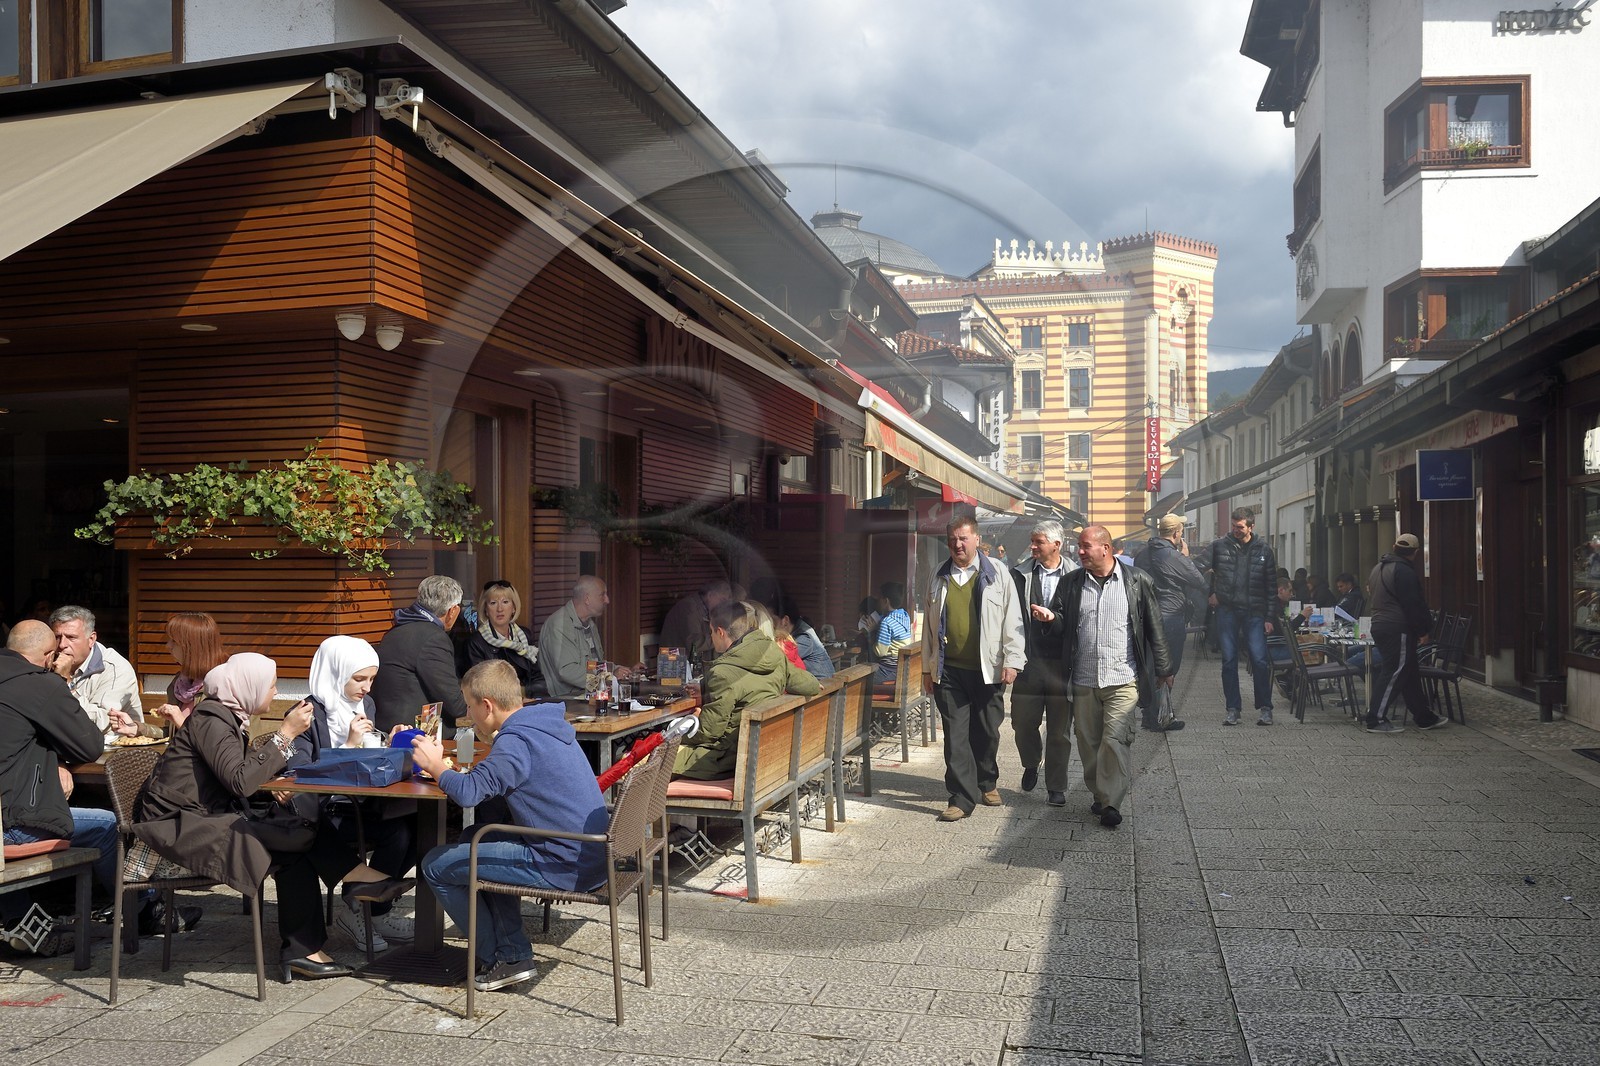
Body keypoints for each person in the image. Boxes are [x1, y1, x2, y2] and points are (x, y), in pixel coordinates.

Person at [133, 653, 411, 982]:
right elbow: (239, 780)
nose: (276, 693)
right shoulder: (212, 718)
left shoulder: (224, 716)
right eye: (271, 685)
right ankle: (344, 894)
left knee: (298, 834)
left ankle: (307, 945)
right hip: (176, 826)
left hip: (203, 816)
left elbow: (237, 776)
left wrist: (276, 782)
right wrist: (285, 734)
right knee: (297, 840)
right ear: (248, 687)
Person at [412, 660, 608, 992]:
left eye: (470, 708)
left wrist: (434, 766)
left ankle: (499, 957)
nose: (469, 716)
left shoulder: (515, 743)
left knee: (434, 866)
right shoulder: (542, 724)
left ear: (486, 706)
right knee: (476, 836)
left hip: (562, 864)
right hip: (588, 852)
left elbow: (469, 793)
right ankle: (512, 952)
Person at [1, 620, 126, 932]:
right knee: (108, 825)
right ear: (48, 656)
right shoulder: (40, 684)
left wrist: (53, 757)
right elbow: (89, 745)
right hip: (11, 824)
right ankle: (143, 912)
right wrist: (61, 682)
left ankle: (23, 919)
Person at [294, 635, 417, 950]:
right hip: (322, 811)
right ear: (335, 673)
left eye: (372, 679)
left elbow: (367, 759)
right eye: (359, 678)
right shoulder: (308, 712)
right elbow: (300, 775)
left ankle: (369, 910)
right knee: (397, 833)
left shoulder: (366, 704)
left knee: (411, 830)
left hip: (359, 803)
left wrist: (389, 742)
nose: (367, 687)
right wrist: (348, 746)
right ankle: (361, 909)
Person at [1058, 526, 1173, 830]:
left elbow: (1154, 627)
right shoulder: (1071, 584)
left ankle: (1111, 802)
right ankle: (1099, 792)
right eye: (1078, 547)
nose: (1079, 552)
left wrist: (1164, 669)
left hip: (1123, 678)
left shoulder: (1137, 581)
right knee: (1088, 742)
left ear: (1105, 548)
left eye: (1085, 546)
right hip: (1083, 679)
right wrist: (1049, 621)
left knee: (1114, 740)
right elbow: (1060, 626)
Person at [920, 515, 1026, 823]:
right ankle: (961, 798)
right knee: (955, 735)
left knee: (987, 732)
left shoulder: (998, 574)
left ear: (977, 540)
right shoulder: (938, 576)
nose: (957, 544)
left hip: (988, 669)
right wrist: (927, 670)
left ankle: (987, 780)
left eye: (964, 538)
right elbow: (928, 627)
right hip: (949, 670)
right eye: (953, 539)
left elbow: (1012, 619)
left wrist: (1012, 660)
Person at [673, 600, 821, 779]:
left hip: (729, 759)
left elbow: (709, 732)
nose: (711, 637)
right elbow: (810, 685)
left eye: (711, 632)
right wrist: (706, 685)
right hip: (764, 753)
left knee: (651, 761)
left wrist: (676, 735)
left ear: (720, 632)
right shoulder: (772, 652)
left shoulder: (722, 673)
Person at [1009, 520, 1075, 806]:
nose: (1032, 546)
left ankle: (1056, 785)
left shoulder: (1078, 575)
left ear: (1056, 545)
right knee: (1022, 722)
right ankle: (1031, 761)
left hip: (1063, 664)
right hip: (1029, 661)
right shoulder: (1019, 574)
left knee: (1060, 729)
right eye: (1032, 541)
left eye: (1038, 542)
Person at [1365, 534, 1444, 733]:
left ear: (1394, 547)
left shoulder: (1378, 568)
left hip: (1379, 624)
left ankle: (1424, 717)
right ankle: (1375, 718)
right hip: (1396, 627)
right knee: (1394, 671)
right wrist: (1423, 630)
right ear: (1416, 553)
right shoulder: (1404, 571)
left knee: (1408, 671)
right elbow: (1413, 604)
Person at [1207, 509, 1279, 727]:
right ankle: (1233, 709)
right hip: (1227, 610)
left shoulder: (1264, 550)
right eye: (1234, 526)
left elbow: (1271, 587)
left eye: (1240, 527)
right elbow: (1200, 568)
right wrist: (1210, 592)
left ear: (1251, 527)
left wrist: (1269, 617)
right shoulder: (1220, 546)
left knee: (1259, 660)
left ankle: (1265, 708)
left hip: (1254, 612)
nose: (1235, 530)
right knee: (1228, 660)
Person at [1136, 514, 1207, 732]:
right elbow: (1199, 580)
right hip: (1170, 616)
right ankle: (1161, 716)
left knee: (1149, 665)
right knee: (1168, 667)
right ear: (1177, 533)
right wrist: (1185, 557)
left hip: (1145, 616)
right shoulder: (1173, 556)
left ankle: (1149, 715)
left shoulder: (1141, 555)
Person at [370, 575, 468, 733]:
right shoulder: (433, 638)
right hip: (413, 734)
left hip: (386, 726)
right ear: (453, 611)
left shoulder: (396, 630)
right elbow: (454, 704)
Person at [48, 605, 141, 736]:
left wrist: (67, 683)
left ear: (91, 639)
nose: (62, 644)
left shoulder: (115, 668)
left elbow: (101, 723)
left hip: (112, 751)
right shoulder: (48, 661)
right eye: (57, 637)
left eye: (71, 637)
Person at [538, 576, 617, 699]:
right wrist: (609, 677)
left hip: (590, 696)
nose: (607, 600)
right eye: (603, 595)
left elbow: (595, 665)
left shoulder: (590, 624)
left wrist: (619, 670)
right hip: (567, 701)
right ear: (587, 599)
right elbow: (567, 671)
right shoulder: (560, 624)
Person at [465, 580, 545, 700]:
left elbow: (539, 681)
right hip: (496, 708)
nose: (500, 609)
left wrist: (528, 696)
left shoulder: (524, 635)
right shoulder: (476, 642)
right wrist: (521, 695)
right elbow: (482, 688)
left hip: (529, 702)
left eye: (505, 602)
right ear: (486, 609)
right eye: (493, 603)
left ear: (513, 607)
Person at [152, 612, 226, 733]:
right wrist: (137, 728)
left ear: (194, 646)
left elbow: (222, 744)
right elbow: (171, 733)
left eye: (174, 641)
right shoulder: (180, 683)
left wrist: (181, 721)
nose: (168, 646)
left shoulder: (224, 686)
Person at [658, 580, 733, 662]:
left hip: (686, 662)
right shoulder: (688, 608)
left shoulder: (704, 608)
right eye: (722, 600)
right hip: (673, 662)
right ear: (710, 595)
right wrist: (721, 637)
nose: (723, 605)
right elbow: (694, 644)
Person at [872, 582, 914, 693]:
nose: (878, 601)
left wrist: (870, 633)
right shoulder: (905, 616)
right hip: (900, 669)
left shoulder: (886, 622)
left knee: (856, 682)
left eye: (879, 598)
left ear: (885, 601)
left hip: (888, 671)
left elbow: (880, 652)